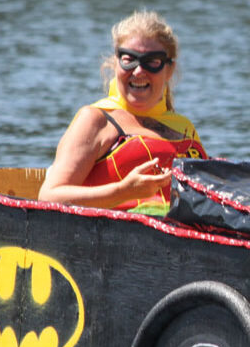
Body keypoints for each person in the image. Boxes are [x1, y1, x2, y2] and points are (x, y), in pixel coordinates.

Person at [38, 11, 206, 211]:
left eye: (152, 62)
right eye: (129, 59)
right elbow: (49, 197)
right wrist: (123, 191)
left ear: (169, 69)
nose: (138, 71)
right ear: (115, 63)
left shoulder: (184, 128)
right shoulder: (96, 120)